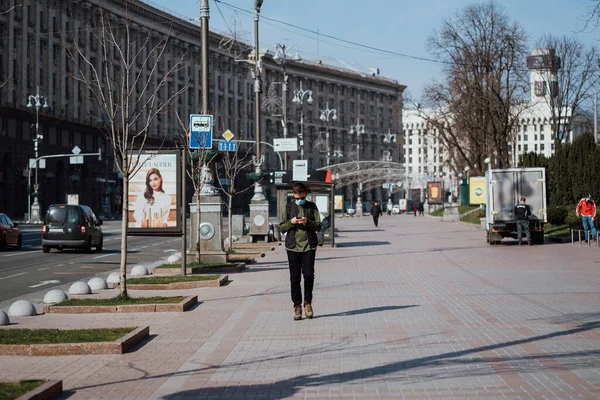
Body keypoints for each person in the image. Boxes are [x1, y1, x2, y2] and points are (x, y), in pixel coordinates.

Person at [279, 182, 323, 321]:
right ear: (294, 194)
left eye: (302, 197)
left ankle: (308, 303)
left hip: (309, 246)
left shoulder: (312, 207)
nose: (300, 200)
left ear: (306, 194)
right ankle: (297, 305)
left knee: (309, 275)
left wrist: (306, 222)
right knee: (295, 278)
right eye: (297, 197)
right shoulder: (288, 207)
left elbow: (318, 226)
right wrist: (291, 222)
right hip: (292, 247)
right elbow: (281, 228)